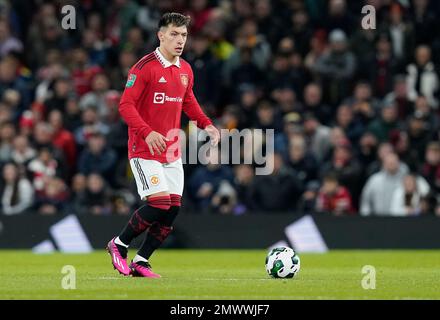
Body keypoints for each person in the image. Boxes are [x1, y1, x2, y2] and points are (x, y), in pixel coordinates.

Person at [106, 13, 219, 278]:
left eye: (184, 35)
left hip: (171, 151)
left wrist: (206, 124)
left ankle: (141, 261)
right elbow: (125, 105)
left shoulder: (186, 70)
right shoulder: (145, 67)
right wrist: (146, 132)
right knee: (158, 203)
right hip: (144, 150)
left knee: (173, 207)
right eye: (174, 35)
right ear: (161, 36)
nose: (180, 41)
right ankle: (119, 244)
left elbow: (188, 101)